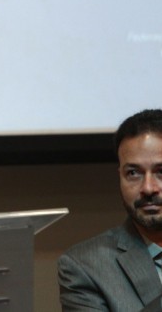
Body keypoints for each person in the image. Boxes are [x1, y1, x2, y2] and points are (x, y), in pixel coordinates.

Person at [58, 108, 162, 311]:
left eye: (161, 172)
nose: (148, 188)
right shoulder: (84, 266)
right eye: (133, 173)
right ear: (120, 176)